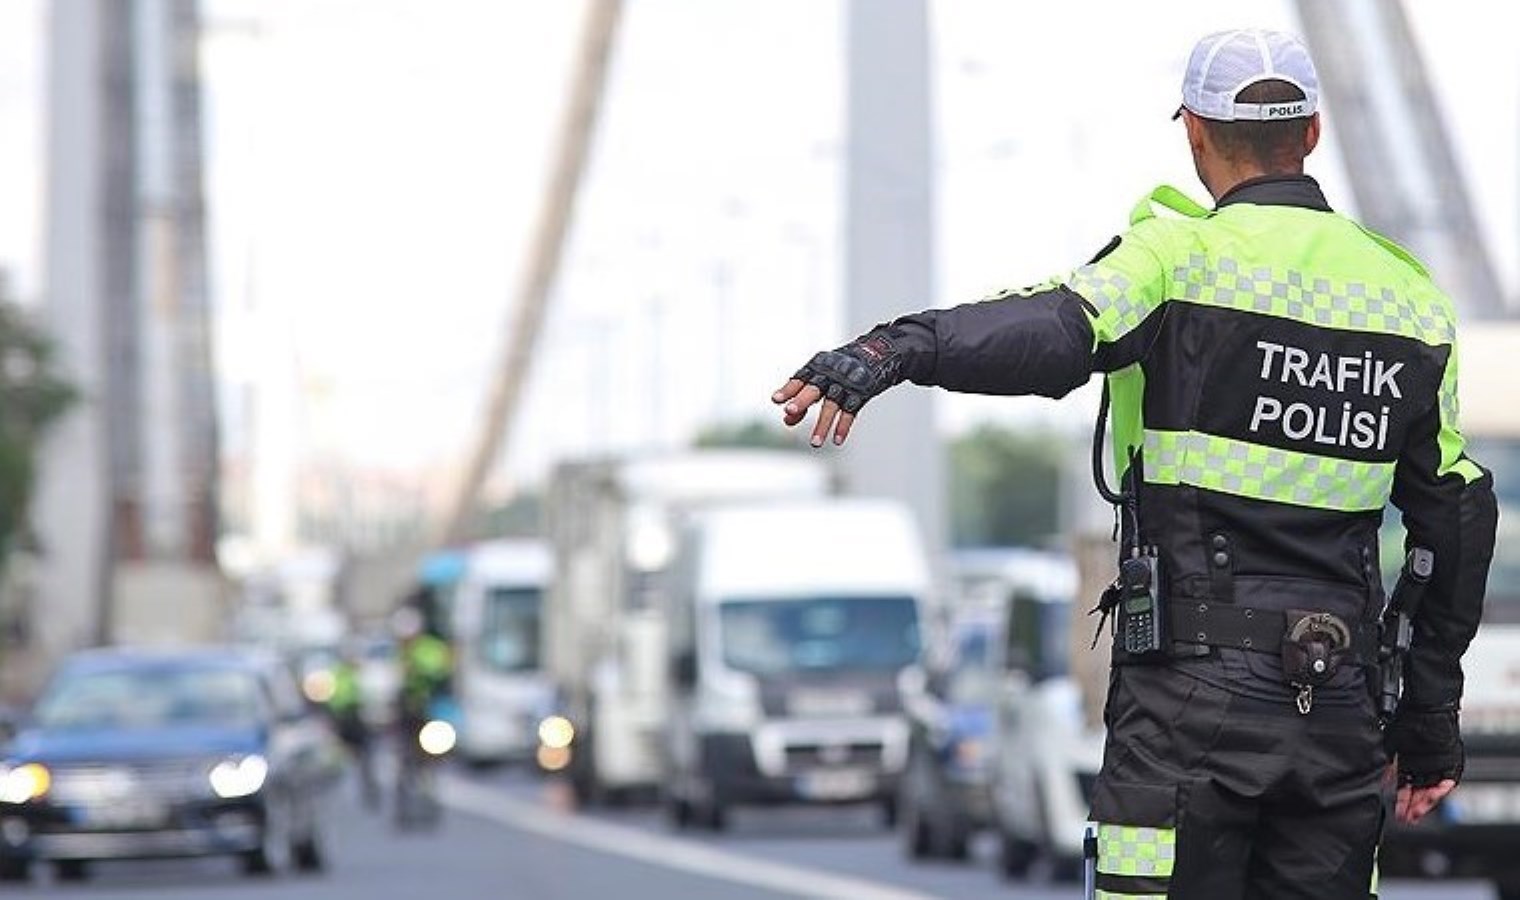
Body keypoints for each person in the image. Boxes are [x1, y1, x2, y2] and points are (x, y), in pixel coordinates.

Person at [772, 28, 1497, 900]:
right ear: (1312, 133)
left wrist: (897, 348)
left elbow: (1048, 332)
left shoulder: (1173, 260)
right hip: (1336, 704)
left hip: (1188, 704)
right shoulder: (1409, 301)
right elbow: (1455, 517)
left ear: (1194, 132)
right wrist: (1428, 722)